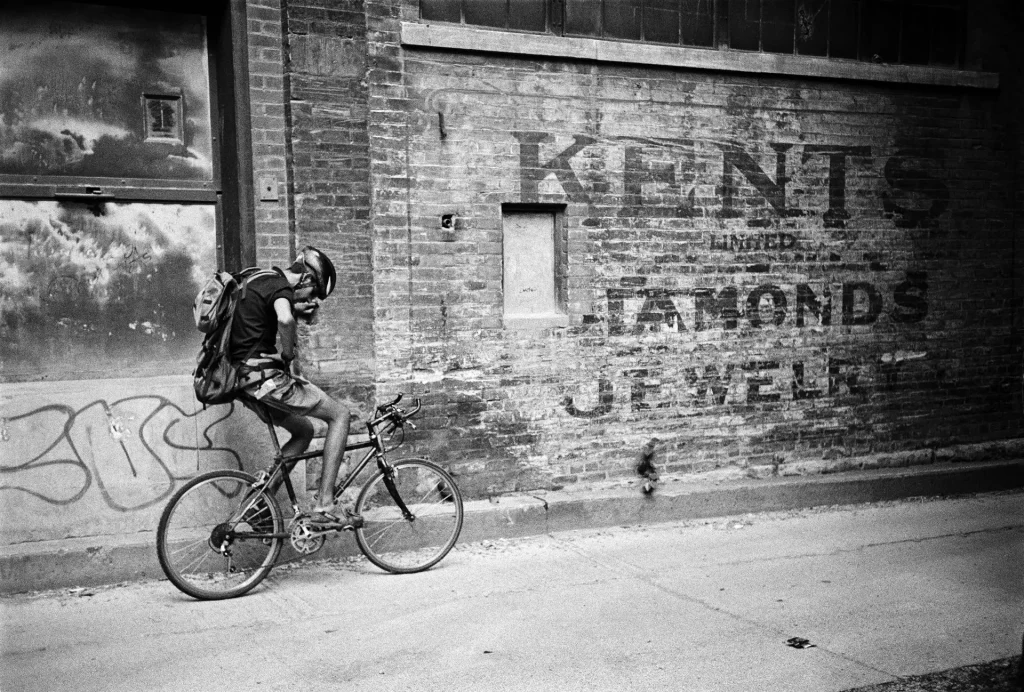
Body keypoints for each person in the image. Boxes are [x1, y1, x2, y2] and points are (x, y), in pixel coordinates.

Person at [230, 245, 359, 527]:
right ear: (307, 280)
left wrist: (298, 308)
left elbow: (270, 313)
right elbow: (285, 319)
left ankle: (258, 504)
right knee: (340, 415)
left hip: (244, 381)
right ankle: (325, 503)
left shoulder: (260, 278)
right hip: (265, 379)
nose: (309, 299)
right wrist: (288, 354)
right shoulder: (280, 288)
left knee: (304, 430)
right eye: (312, 293)